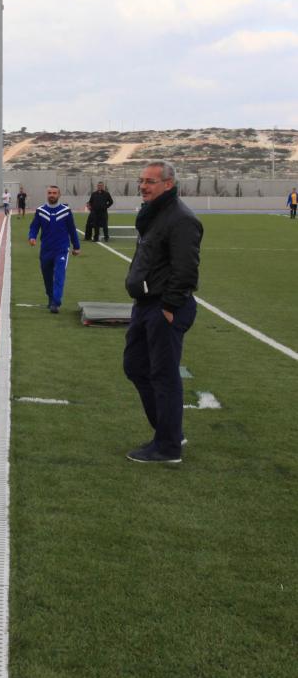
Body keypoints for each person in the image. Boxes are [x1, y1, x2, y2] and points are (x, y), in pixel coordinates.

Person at [123, 160, 203, 464]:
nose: (143, 186)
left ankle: (168, 447)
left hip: (165, 307)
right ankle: (169, 430)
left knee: (164, 376)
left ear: (168, 184)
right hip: (145, 305)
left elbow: (186, 270)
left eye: (150, 181)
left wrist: (169, 307)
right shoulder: (153, 215)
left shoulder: (181, 219)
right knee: (135, 366)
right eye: (141, 180)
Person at [27, 184, 80, 313]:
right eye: (50, 193)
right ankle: (51, 298)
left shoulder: (66, 211)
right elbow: (34, 227)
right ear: (47, 194)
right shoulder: (41, 211)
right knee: (47, 276)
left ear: (59, 195)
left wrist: (76, 246)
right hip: (46, 249)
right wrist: (32, 237)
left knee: (59, 275)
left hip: (61, 249)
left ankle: (56, 302)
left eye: (54, 193)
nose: (52, 195)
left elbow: (72, 229)